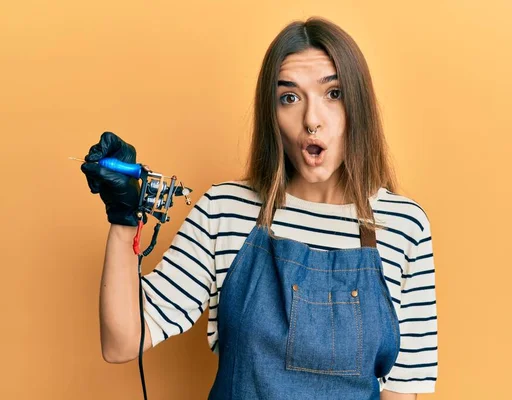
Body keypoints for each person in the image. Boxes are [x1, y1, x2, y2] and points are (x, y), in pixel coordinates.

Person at [81, 16, 438, 400]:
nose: (312, 120)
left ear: (359, 105)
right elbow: (122, 342)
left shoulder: (403, 226)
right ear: (272, 116)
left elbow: (402, 391)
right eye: (289, 97)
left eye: (333, 93)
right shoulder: (225, 210)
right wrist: (122, 218)